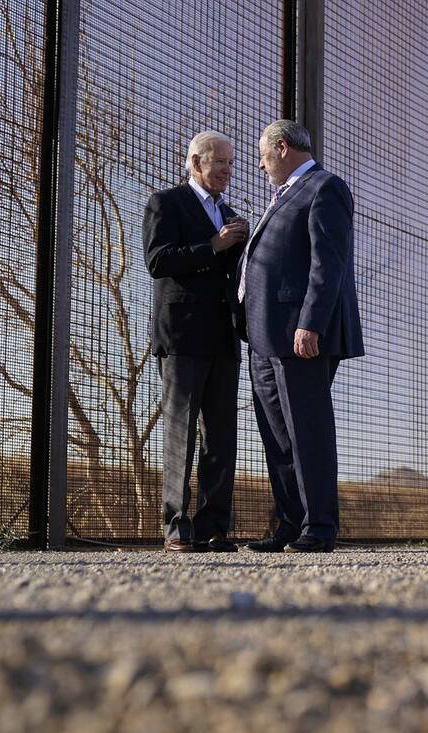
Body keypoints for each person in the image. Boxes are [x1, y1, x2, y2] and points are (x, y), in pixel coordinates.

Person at [239, 119, 364, 553]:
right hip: (263, 336)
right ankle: (290, 524)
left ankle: (319, 527)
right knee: (277, 433)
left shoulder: (323, 188)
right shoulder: (283, 196)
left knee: (307, 429)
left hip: (298, 333)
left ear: (282, 146)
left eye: (262, 154)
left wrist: (309, 322)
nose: (259, 164)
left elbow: (327, 263)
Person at [143, 131, 247, 553]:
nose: (227, 169)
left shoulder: (231, 214)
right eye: (219, 161)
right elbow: (158, 260)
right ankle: (176, 526)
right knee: (181, 432)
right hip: (182, 335)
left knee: (221, 435)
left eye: (230, 162)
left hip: (224, 338)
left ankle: (213, 526)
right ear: (194, 162)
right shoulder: (166, 203)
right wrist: (214, 245)